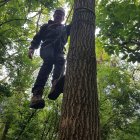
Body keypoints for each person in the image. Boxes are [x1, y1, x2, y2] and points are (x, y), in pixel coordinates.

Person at [28, 8, 71, 109]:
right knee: (48, 62)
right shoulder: (46, 26)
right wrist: (32, 48)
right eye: (57, 14)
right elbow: (37, 38)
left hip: (59, 50)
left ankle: (55, 84)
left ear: (63, 17)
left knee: (61, 60)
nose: (59, 15)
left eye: (61, 14)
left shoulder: (65, 28)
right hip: (47, 47)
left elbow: (75, 24)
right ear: (54, 15)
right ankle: (36, 95)